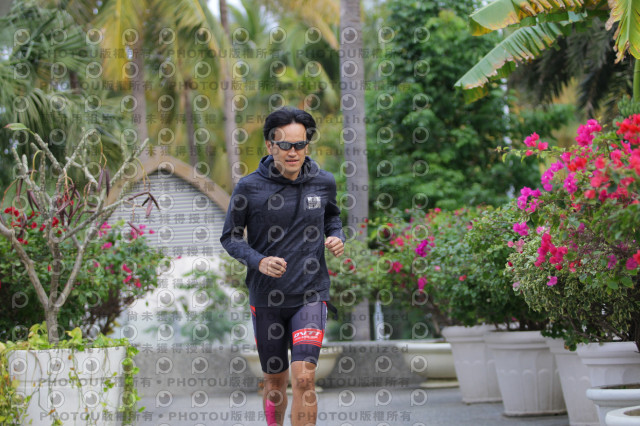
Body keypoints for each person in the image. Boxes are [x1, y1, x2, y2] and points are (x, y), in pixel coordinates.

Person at [220, 106, 345, 426]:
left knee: (304, 378)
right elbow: (230, 237)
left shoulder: (323, 182)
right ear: (270, 145)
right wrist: (258, 261)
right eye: (286, 145)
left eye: (300, 145)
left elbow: (333, 218)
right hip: (267, 298)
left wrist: (336, 236)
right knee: (275, 382)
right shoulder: (249, 187)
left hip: (310, 294)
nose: (293, 152)